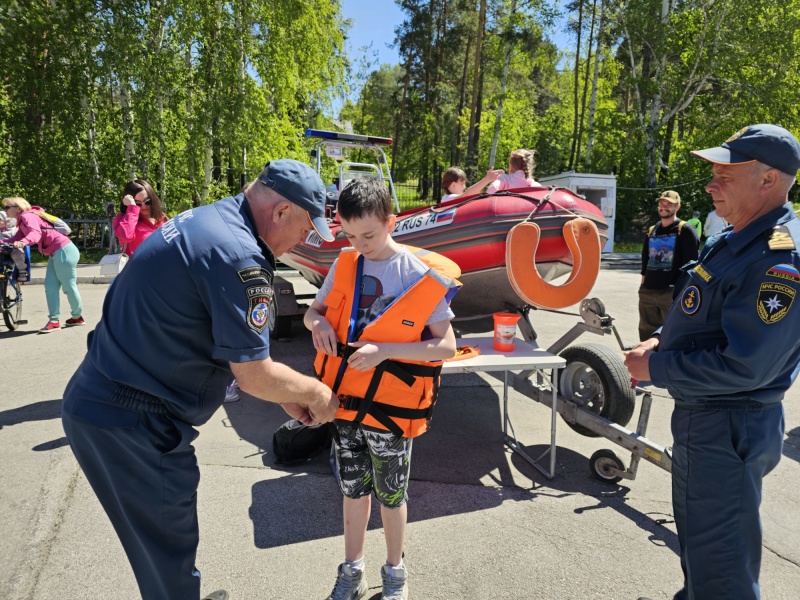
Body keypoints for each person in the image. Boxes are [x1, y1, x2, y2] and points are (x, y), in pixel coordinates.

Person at [61, 159, 341, 600]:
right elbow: (253, 374)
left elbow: (213, 335)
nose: (304, 241)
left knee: (164, 550)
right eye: (307, 227)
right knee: (168, 555)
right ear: (282, 210)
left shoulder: (210, 218)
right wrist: (316, 391)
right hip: (133, 420)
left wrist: (279, 395)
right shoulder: (238, 253)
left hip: (108, 396)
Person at [625, 123, 800, 600]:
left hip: (728, 424)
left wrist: (655, 369)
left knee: (721, 570)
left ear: (768, 180)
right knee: (705, 554)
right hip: (712, 421)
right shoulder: (734, 239)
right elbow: (698, 307)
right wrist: (660, 340)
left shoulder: (777, 259)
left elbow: (747, 366)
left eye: (725, 174)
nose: (709, 184)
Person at [304, 177, 458, 600]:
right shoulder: (346, 262)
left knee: (392, 495)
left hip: (390, 413)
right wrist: (317, 323)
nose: (359, 244)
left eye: (368, 234)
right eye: (350, 235)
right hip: (345, 406)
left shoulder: (415, 273)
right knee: (352, 491)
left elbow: (445, 345)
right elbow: (314, 312)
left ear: (392, 222)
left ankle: (395, 574)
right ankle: (351, 571)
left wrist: (383, 351)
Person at [2, 197, 84, 332]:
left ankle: (77, 316)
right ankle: (54, 320)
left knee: (68, 286)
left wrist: (24, 242)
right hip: (55, 253)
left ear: (17, 208)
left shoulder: (28, 216)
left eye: (7, 207)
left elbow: (35, 233)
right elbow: (16, 238)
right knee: (50, 287)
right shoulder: (22, 220)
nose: (5, 210)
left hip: (64, 250)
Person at [637, 190, 699, 341]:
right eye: (661, 203)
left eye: (669, 204)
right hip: (648, 292)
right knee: (646, 332)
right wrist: (643, 286)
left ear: (677, 206)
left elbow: (692, 265)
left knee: (672, 333)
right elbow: (645, 261)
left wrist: (682, 292)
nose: (664, 207)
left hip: (671, 293)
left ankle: (666, 363)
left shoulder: (685, 230)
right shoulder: (652, 230)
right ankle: (645, 362)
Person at [112, 179, 168, 256]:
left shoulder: (162, 217)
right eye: (137, 203)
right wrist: (132, 208)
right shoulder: (123, 219)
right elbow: (126, 236)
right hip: (140, 267)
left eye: (147, 201)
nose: (144, 207)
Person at [0, 209, 29, 280]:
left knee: (18, 252)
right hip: (1, 247)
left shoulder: (16, 228)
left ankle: (22, 271)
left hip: (13, 246)